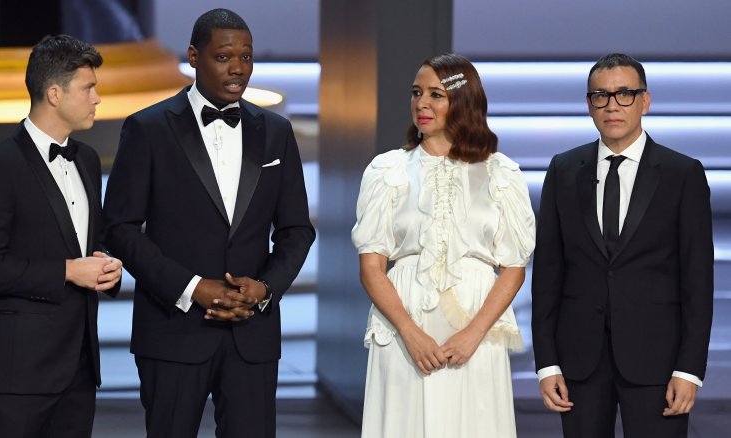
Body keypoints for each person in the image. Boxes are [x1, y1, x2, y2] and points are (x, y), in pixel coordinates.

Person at [102, 8, 315, 438]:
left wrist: (265, 288)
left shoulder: (276, 131)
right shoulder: (147, 128)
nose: (238, 68)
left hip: (250, 332)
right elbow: (120, 229)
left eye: (247, 57)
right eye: (224, 57)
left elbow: (296, 230)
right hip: (173, 330)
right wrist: (191, 287)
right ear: (195, 56)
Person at [351, 53, 536, 437]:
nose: (422, 103)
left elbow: (514, 268)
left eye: (436, 94)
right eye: (417, 93)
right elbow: (371, 266)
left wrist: (473, 334)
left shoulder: (501, 173)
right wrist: (411, 333)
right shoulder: (388, 170)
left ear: (463, 102)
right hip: (403, 331)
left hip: (474, 331)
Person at [531, 53, 714, 437]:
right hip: (579, 361)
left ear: (645, 101)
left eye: (625, 94)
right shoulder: (563, 170)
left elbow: (698, 281)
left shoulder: (683, 173)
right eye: (601, 95)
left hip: (658, 362)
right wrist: (547, 364)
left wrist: (689, 369)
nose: (612, 104)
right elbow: (548, 273)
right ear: (588, 104)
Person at [0, 34, 123, 438]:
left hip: (79, 372)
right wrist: (69, 271)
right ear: (54, 93)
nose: (97, 98)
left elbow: (86, 241)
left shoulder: (85, 159)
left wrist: (105, 264)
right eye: (88, 88)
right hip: (19, 377)